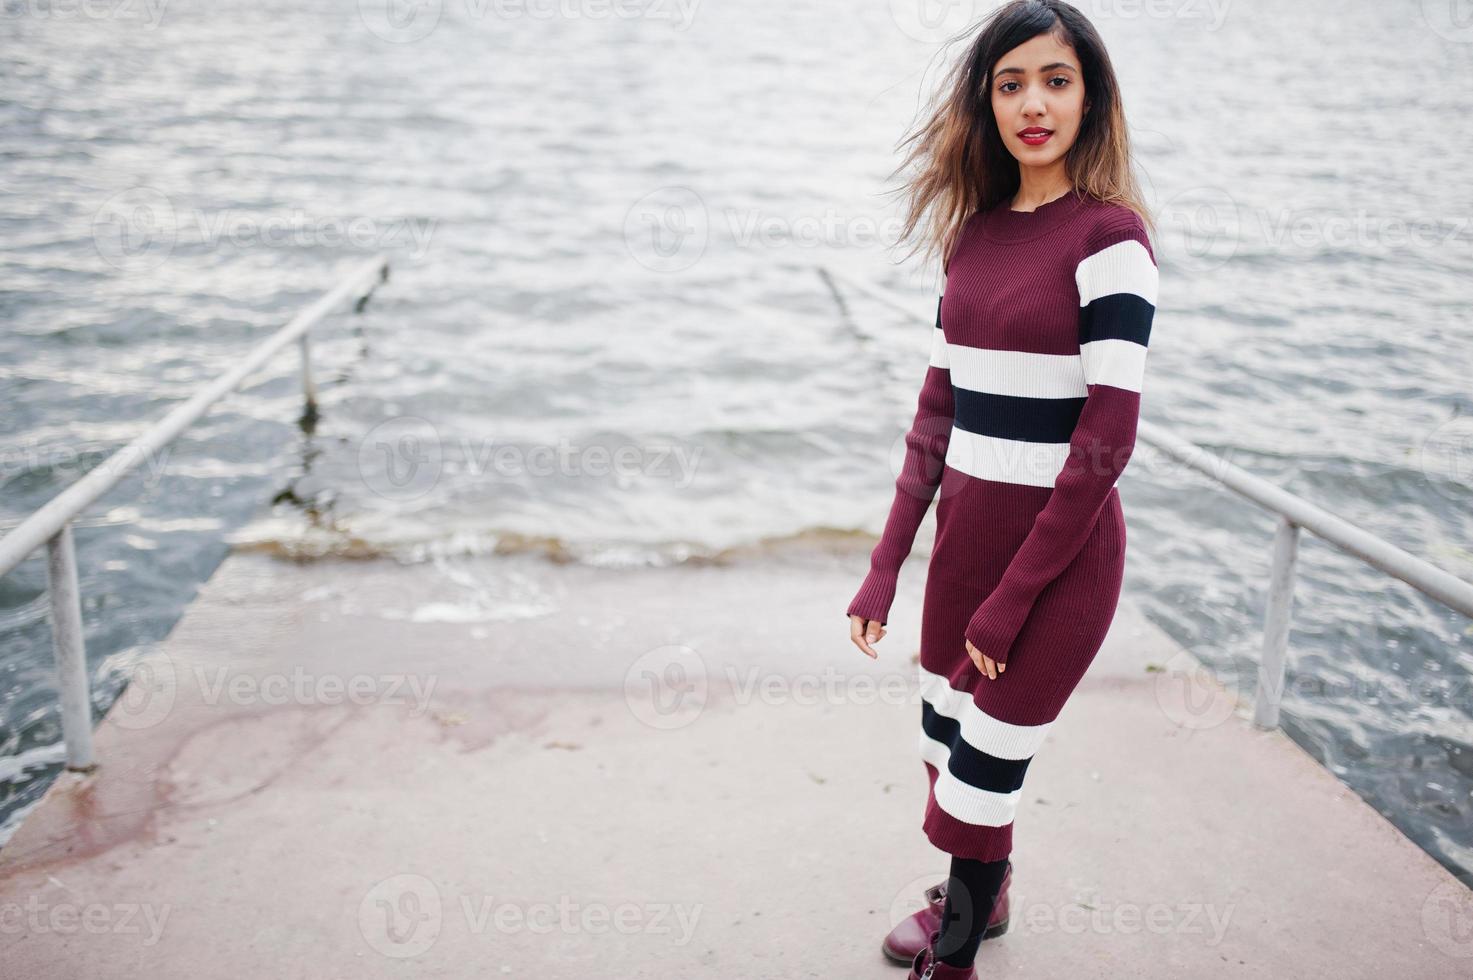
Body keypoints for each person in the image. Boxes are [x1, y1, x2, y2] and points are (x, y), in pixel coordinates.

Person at [845, 3, 1160, 977]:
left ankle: (956, 951)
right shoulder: (971, 237)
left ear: (1090, 97)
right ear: (987, 100)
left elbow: (1108, 438)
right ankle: (989, 890)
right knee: (946, 747)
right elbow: (933, 416)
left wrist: (1014, 596)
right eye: (1011, 81)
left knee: (981, 774)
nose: (1033, 102)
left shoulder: (1111, 240)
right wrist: (885, 566)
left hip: (1057, 568)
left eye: (1056, 80)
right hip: (966, 551)